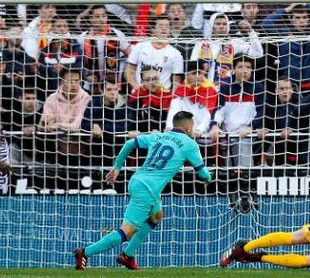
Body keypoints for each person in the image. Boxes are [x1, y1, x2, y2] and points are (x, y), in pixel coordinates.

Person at [75, 110, 213, 270]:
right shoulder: (190, 144)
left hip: (137, 180)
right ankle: (84, 252)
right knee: (125, 233)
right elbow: (204, 174)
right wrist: (210, 176)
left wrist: (117, 167)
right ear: (189, 128)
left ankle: (127, 256)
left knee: (156, 215)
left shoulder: (159, 136)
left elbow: (129, 144)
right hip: (147, 190)